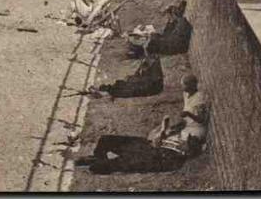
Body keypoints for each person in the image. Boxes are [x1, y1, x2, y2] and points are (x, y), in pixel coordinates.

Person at [75, 74, 208, 174]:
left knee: (107, 165)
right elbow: (170, 132)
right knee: (106, 140)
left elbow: (198, 124)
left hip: (151, 152)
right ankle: (97, 158)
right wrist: (163, 132)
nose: (183, 88)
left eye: (185, 85)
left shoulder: (179, 153)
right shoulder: (182, 133)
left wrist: (162, 138)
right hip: (149, 145)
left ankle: (97, 163)